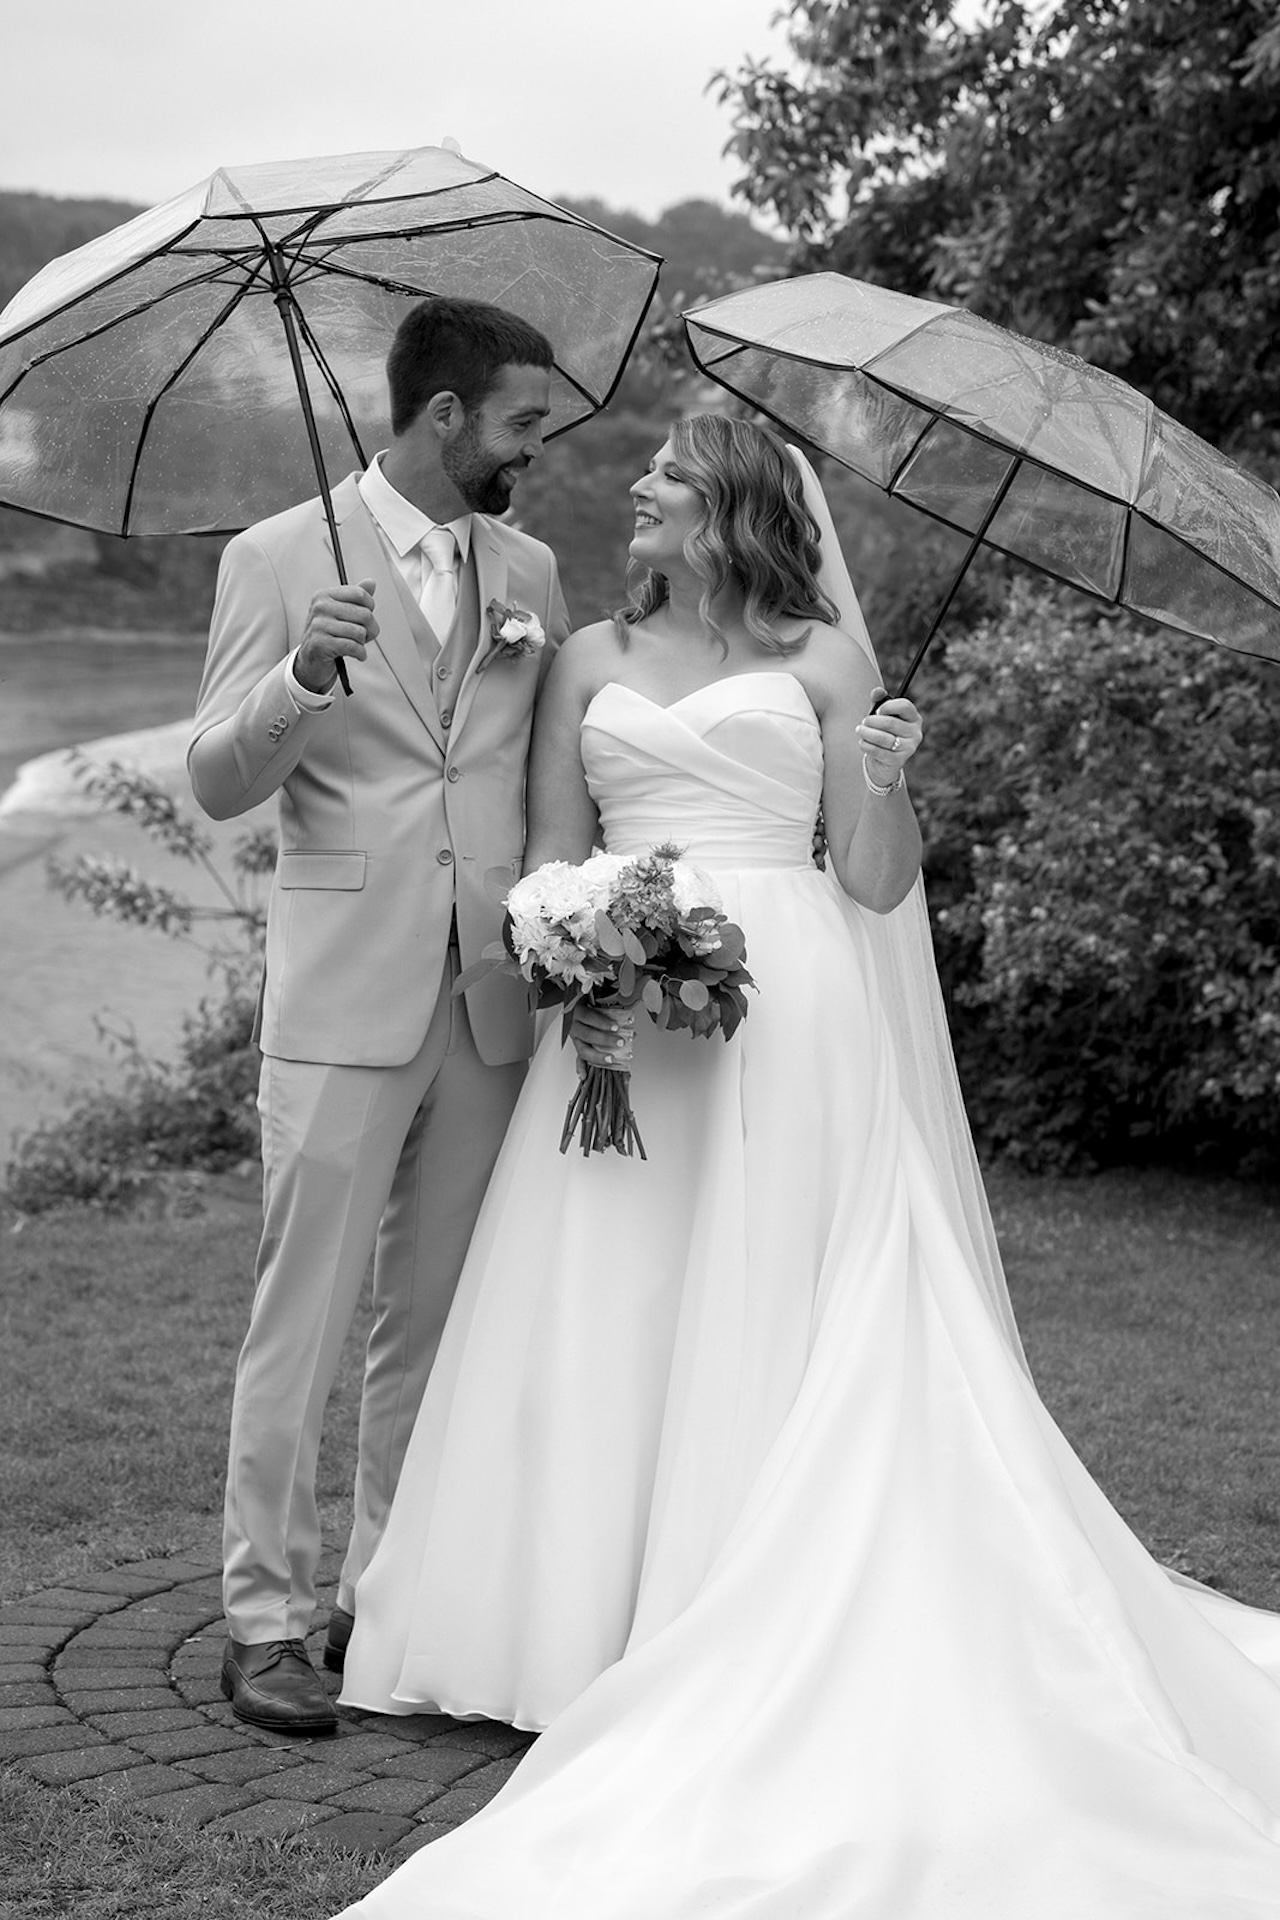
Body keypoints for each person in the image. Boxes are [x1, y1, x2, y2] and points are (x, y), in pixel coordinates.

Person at [334, 415, 1280, 1914]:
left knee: (773, 1303)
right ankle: (574, 1626)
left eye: (663, 477)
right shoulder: (586, 658)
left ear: (732, 510)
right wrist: (587, 936)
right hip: (623, 1037)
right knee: (608, 1305)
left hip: (794, 1028)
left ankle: (754, 1602)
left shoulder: (833, 667)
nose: (634, 490)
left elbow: (872, 882)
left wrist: (891, 773)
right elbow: (544, 854)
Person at [187, 296, 570, 1736]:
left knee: (431, 1324)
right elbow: (219, 779)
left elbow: (543, 767)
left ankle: (383, 1593)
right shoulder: (278, 561)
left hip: (490, 997)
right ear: (448, 416)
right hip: (345, 994)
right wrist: (301, 680)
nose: (538, 445)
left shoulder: (529, 563)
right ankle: (266, 1618)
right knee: (303, 1320)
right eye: (524, 421)